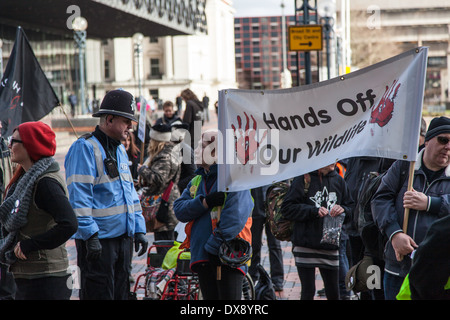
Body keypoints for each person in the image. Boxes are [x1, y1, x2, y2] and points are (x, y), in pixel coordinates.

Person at [65, 89, 148, 300]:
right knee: (99, 293)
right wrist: (90, 235)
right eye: (126, 121)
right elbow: (79, 196)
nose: (130, 126)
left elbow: (129, 193)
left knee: (120, 293)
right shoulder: (84, 148)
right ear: (109, 119)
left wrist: (138, 228)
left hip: (122, 239)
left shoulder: (119, 149)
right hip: (98, 242)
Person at [371, 116, 450, 300]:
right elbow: (380, 199)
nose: (448, 146)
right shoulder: (405, 165)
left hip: (437, 274)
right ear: (428, 140)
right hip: (398, 267)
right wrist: (394, 234)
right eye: (443, 140)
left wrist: (430, 203)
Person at [0, 121, 78, 300]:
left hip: (47, 278)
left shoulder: (45, 183)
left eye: (14, 141)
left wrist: (29, 245)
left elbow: (69, 224)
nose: (9, 145)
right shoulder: (25, 179)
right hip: (30, 276)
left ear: (30, 146)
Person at [173, 130, 253, 300]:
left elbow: (235, 217)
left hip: (228, 256)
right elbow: (179, 210)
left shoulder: (234, 178)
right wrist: (204, 203)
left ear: (215, 152)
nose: (195, 151)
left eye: (201, 147)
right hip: (202, 256)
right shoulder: (197, 180)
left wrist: (214, 246)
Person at [281, 163, 354, 300]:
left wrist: (344, 210)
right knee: (308, 291)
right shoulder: (303, 178)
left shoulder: (339, 180)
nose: (334, 162)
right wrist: (313, 211)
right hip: (305, 244)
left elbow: (351, 208)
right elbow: (287, 208)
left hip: (330, 244)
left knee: (333, 291)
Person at [137, 123, 181, 251]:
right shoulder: (171, 151)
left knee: (164, 246)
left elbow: (159, 179)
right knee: (167, 244)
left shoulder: (164, 155)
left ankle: (165, 271)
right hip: (167, 203)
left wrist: (143, 170)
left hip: (164, 205)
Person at [249, 185, 284, 292]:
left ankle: (277, 279)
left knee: (274, 245)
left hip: (273, 208)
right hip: (256, 206)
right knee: (254, 245)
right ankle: (253, 277)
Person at [170, 121, 197, 192]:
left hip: (182, 191)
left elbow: (193, 174)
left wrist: (177, 186)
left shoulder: (185, 149)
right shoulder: (175, 147)